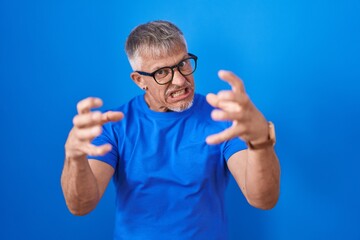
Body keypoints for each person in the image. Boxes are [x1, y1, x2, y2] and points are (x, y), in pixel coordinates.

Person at [61, 20, 280, 240]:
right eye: (162, 72)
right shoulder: (114, 125)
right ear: (139, 80)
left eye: (183, 63)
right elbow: (81, 206)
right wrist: (74, 157)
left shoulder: (223, 118)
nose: (180, 80)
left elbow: (263, 199)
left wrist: (261, 141)